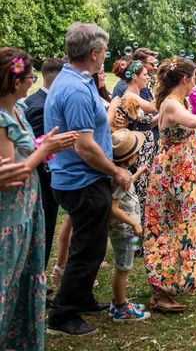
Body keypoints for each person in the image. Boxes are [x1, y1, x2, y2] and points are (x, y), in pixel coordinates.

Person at [45, 23, 132, 337]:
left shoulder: (73, 80)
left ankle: (80, 297)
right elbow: (84, 146)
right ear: (94, 54)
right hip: (82, 180)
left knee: (90, 245)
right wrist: (116, 170)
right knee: (88, 250)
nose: (105, 56)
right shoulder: (77, 89)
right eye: (104, 51)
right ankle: (63, 316)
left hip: (79, 179)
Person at [0, 48, 77, 349]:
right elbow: (11, 175)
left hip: (29, 209)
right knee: (7, 282)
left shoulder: (17, 110)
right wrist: (43, 151)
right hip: (10, 216)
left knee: (24, 279)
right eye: (30, 76)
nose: (32, 81)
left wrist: (45, 142)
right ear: (17, 82)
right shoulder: (2, 120)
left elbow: (24, 149)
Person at [144, 58, 196, 312]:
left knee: (179, 226)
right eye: (193, 79)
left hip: (180, 173)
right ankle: (161, 292)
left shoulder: (177, 102)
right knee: (168, 228)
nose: (194, 84)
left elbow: (184, 142)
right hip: (172, 176)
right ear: (185, 79)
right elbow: (193, 122)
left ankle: (167, 286)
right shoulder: (171, 104)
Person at [24, 57, 65, 268]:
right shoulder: (40, 106)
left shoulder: (35, 99)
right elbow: (39, 152)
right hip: (42, 181)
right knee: (44, 232)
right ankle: (38, 276)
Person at [108, 129, 151, 322]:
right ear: (131, 156)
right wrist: (134, 223)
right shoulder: (119, 179)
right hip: (123, 230)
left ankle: (119, 300)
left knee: (125, 265)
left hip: (125, 230)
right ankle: (120, 307)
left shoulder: (123, 175)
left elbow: (125, 190)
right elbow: (114, 208)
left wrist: (138, 174)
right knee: (123, 267)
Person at [113, 58, 158, 226]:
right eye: (145, 74)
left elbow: (147, 123)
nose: (148, 77)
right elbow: (153, 108)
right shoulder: (130, 96)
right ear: (134, 77)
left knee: (145, 189)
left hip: (146, 148)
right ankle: (136, 229)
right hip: (137, 151)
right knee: (139, 188)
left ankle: (142, 229)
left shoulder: (138, 95)